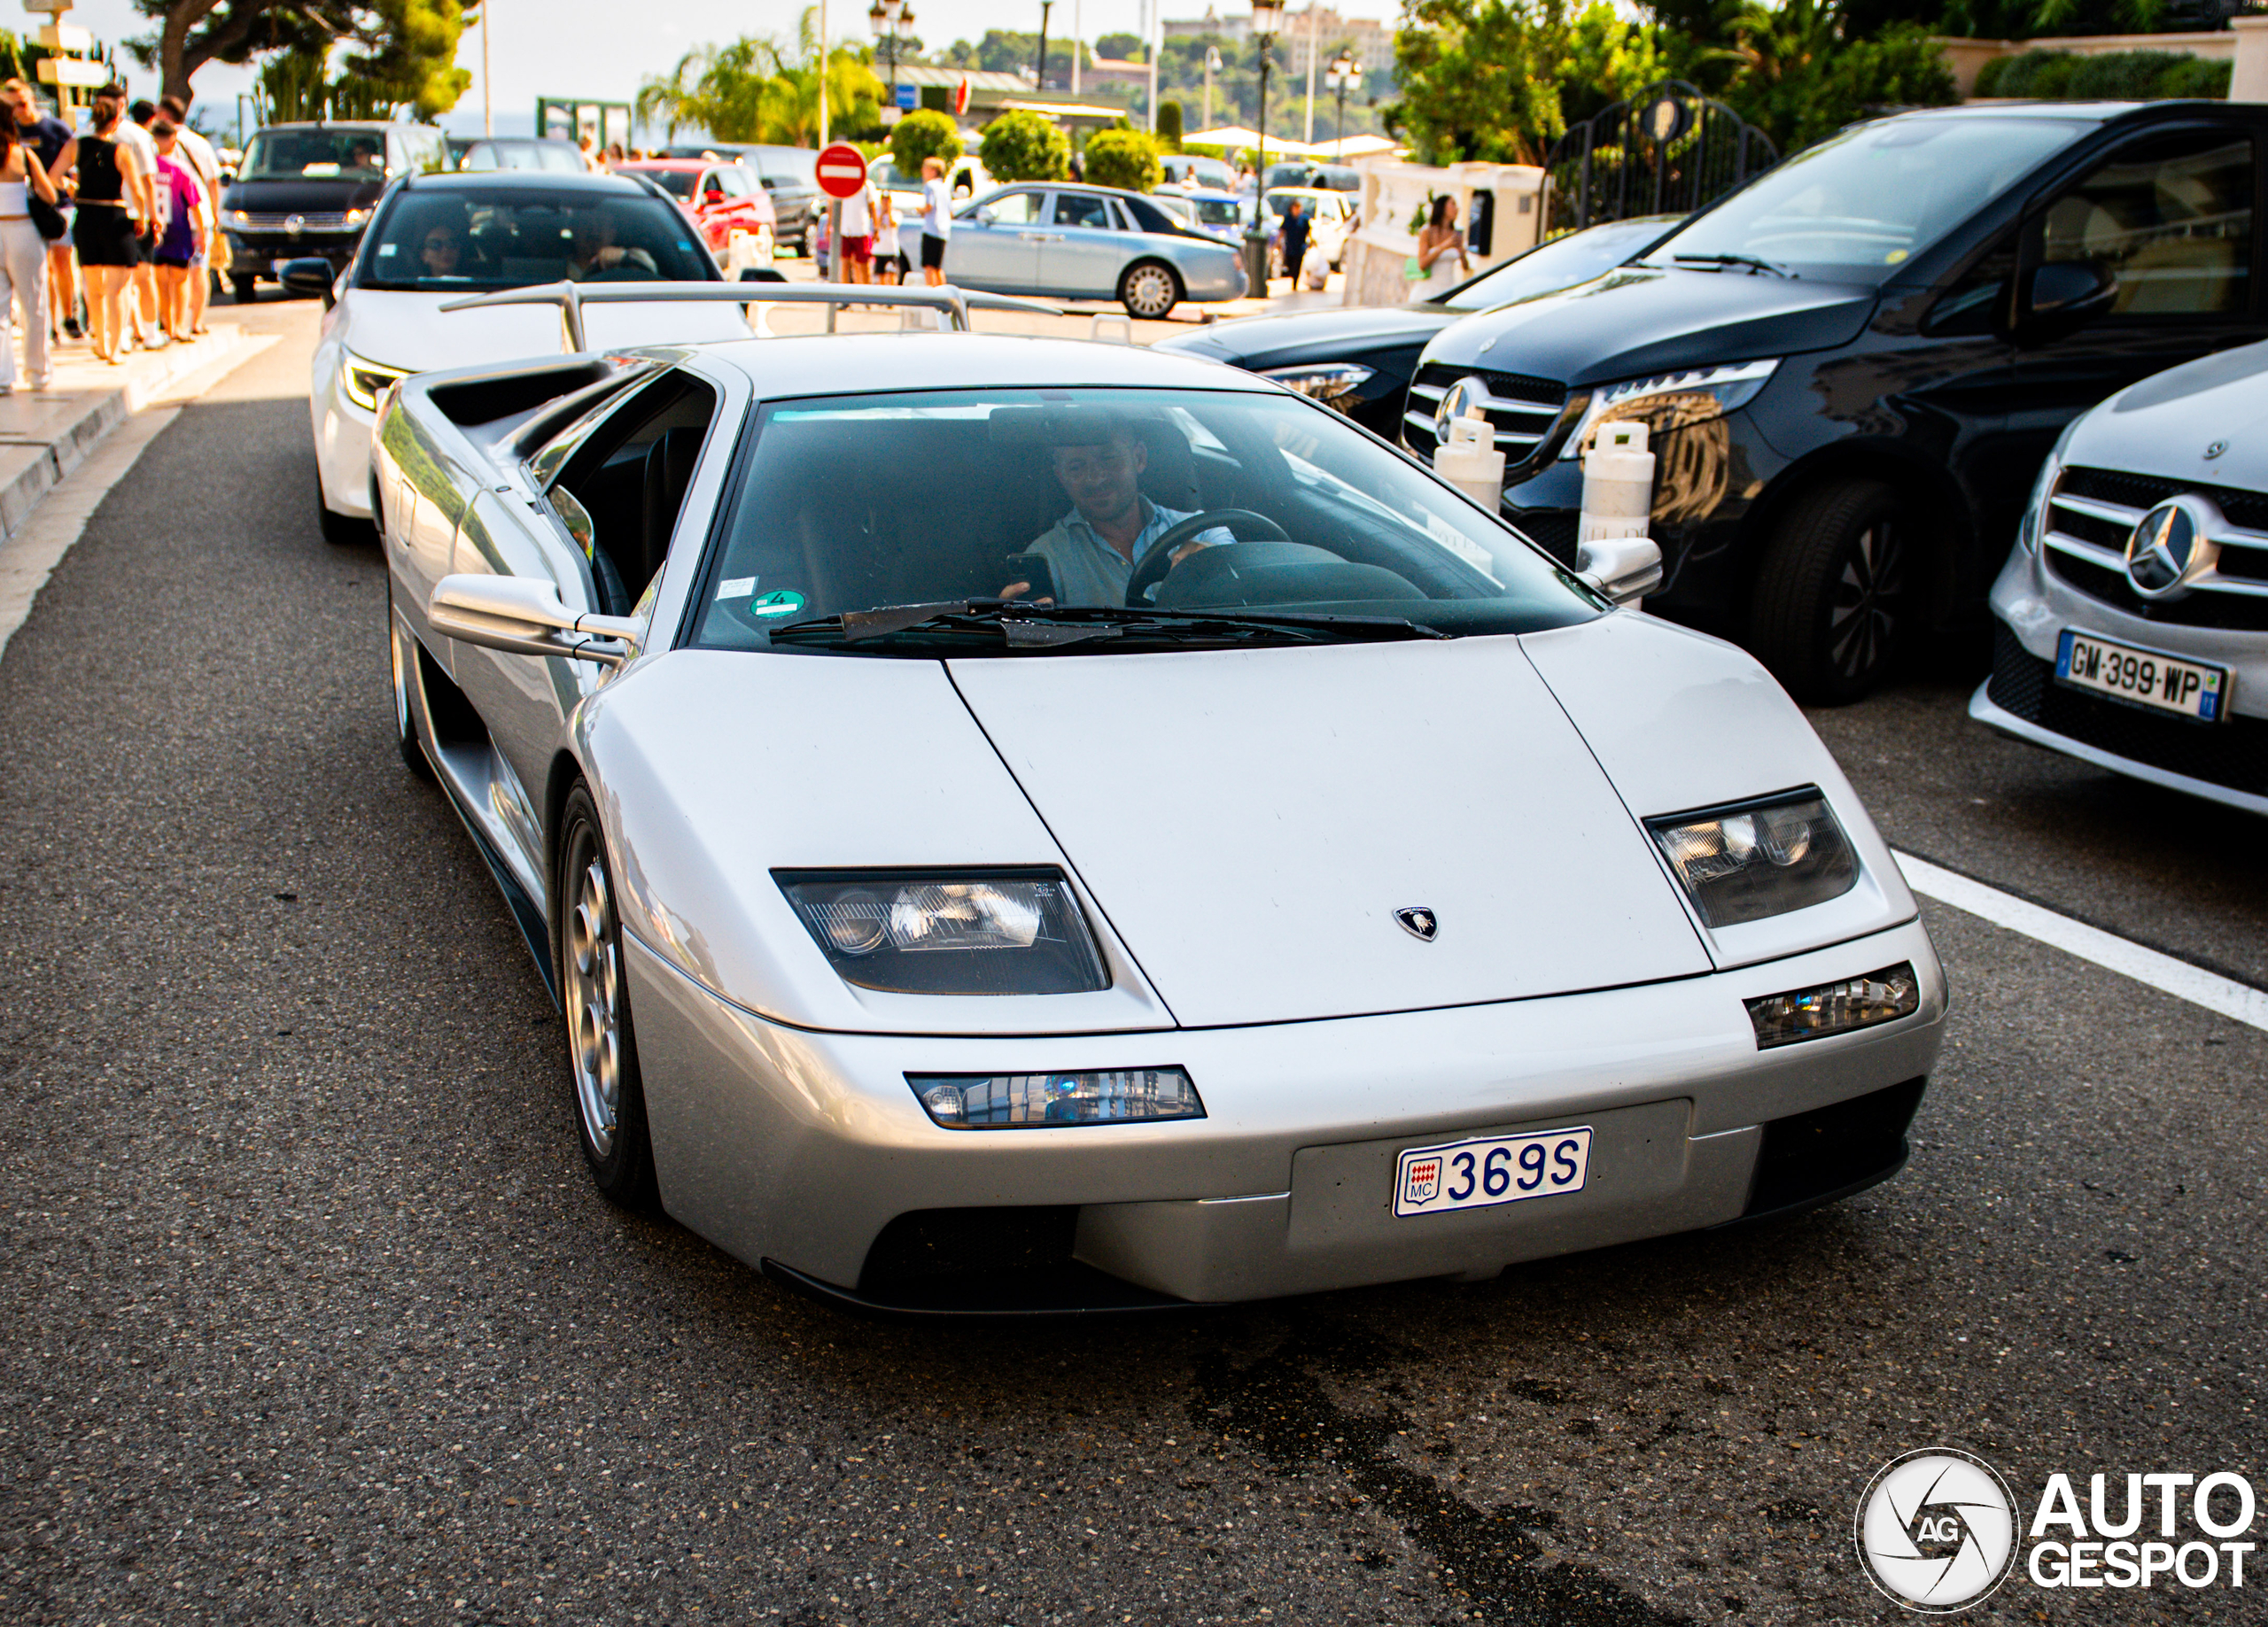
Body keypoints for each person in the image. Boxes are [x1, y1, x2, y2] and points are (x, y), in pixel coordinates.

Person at [1000, 417, 1234, 606]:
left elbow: (1251, 590)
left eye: (1109, 459)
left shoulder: (1203, 532)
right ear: (1061, 477)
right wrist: (1014, 622)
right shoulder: (1048, 558)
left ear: (1139, 458)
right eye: (1077, 467)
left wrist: (1218, 562)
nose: (1095, 478)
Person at [65, 92, 151, 363]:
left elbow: (56, 176)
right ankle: (114, 347)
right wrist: (145, 217)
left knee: (94, 287)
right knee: (116, 288)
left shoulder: (76, 146)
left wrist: (72, 189)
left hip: (86, 216)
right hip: (114, 217)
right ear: (116, 121)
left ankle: (101, 342)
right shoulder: (121, 150)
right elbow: (137, 189)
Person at [8, 81, 74, 343]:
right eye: (12, 107)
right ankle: (51, 323)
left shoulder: (55, 128)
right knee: (41, 266)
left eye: (22, 103)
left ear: (32, 99)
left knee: (62, 259)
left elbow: (74, 156)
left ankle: (69, 315)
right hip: (27, 209)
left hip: (59, 205)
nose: (19, 110)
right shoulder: (10, 134)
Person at [0, 109, 59, 390]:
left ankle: (2, 377)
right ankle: (37, 373)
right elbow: (50, 194)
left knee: (0, 309)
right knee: (34, 304)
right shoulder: (22, 154)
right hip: (22, 229)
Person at [159, 96, 221, 336]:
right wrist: (214, 213)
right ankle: (196, 321)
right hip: (200, 216)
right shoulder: (200, 143)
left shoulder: (161, 144)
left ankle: (173, 322)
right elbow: (213, 181)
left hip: (171, 217)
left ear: (165, 116)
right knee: (198, 270)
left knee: (171, 273)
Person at [148, 120, 206, 340]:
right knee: (180, 280)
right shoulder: (180, 169)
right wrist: (200, 232)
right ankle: (180, 325)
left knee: (161, 281)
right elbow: (194, 204)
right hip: (179, 229)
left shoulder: (149, 167)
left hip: (156, 228)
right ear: (173, 139)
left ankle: (168, 325)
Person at [121, 97, 164, 347]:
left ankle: (130, 329)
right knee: (144, 277)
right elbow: (149, 179)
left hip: (113, 213)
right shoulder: (140, 137)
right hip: (138, 213)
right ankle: (150, 332)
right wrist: (154, 215)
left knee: (121, 279)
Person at [563, 207, 655, 280]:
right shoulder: (557, 269)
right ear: (573, 230)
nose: (594, 232)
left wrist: (623, 258)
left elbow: (651, 273)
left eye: (601, 224)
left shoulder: (631, 258)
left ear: (613, 231)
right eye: (586, 224)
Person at [1412, 194, 1468, 298]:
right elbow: (1422, 264)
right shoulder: (1427, 232)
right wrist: (1443, 247)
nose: (1457, 209)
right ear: (1443, 208)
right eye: (1453, 204)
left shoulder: (1455, 234)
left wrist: (1462, 252)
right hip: (1429, 289)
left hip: (1449, 287)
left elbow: (1465, 267)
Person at [919, 156, 951, 288]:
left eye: (925, 169)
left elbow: (929, 206)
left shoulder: (930, 186)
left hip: (931, 229)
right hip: (943, 231)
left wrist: (919, 210)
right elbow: (951, 211)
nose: (923, 172)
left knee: (929, 266)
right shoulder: (944, 187)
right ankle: (942, 295)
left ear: (933, 170)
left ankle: (931, 296)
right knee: (938, 267)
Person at [837, 174, 874, 286]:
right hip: (845, 230)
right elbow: (833, 204)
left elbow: (871, 205)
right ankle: (845, 297)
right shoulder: (842, 183)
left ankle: (867, 296)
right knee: (844, 264)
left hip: (861, 230)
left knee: (863, 265)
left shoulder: (866, 185)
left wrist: (875, 227)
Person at [1278, 196, 1310, 292]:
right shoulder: (1288, 218)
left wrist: (1311, 243)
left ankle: (1295, 283)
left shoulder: (1304, 219)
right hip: (1290, 246)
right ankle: (1291, 277)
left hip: (1300, 246)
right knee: (1290, 264)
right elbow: (1282, 230)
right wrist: (1278, 242)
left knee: (1297, 265)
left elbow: (1309, 231)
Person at [872, 188, 901, 286]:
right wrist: (881, 214)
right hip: (880, 248)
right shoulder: (877, 213)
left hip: (891, 248)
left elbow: (894, 224)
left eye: (887, 200)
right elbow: (876, 226)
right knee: (880, 274)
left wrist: (888, 212)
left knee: (891, 273)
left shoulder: (895, 213)